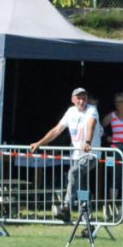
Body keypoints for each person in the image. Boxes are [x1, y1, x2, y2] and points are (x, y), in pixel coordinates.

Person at [30, 87, 102, 222]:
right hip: (76, 155)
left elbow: (91, 124)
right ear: (73, 99)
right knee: (82, 189)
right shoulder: (70, 112)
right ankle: (88, 222)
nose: (81, 101)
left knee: (73, 173)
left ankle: (66, 207)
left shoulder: (92, 110)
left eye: (84, 98)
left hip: (90, 154)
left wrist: (87, 141)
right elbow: (57, 129)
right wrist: (39, 143)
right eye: (79, 98)